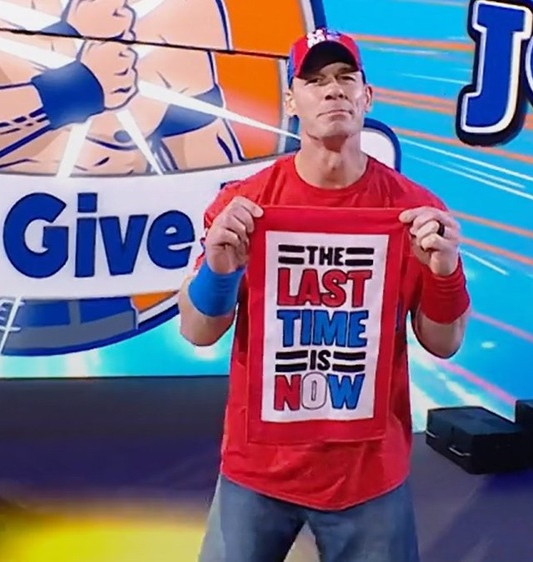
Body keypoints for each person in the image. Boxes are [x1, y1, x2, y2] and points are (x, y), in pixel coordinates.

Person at [179, 28, 472, 562]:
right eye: (314, 81)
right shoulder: (246, 204)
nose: (332, 89)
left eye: (344, 78)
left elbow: (444, 342)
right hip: (257, 468)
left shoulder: (413, 211)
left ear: (367, 97)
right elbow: (198, 330)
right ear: (291, 102)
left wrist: (444, 273)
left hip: (367, 473)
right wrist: (220, 269)